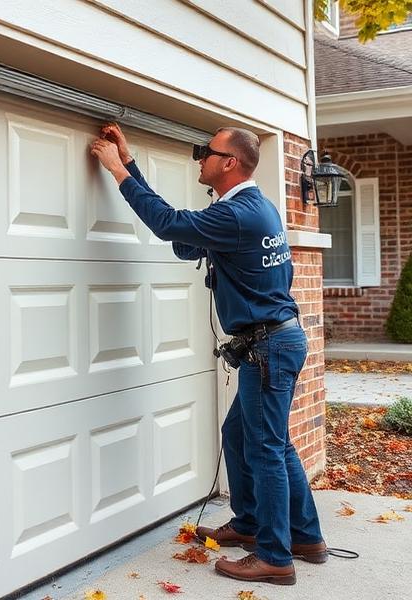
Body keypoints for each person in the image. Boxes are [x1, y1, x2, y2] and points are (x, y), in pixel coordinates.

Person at [90, 124, 327, 586]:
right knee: (247, 436)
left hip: (268, 348)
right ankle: (289, 532)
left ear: (229, 162)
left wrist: (119, 171)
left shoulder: (240, 214)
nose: (199, 158)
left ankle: (275, 556)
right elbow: (184, 242)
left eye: (205, 151)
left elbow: (168, 226)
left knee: (265, 448)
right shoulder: (247, 210)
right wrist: (133, 164)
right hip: (274, 343)